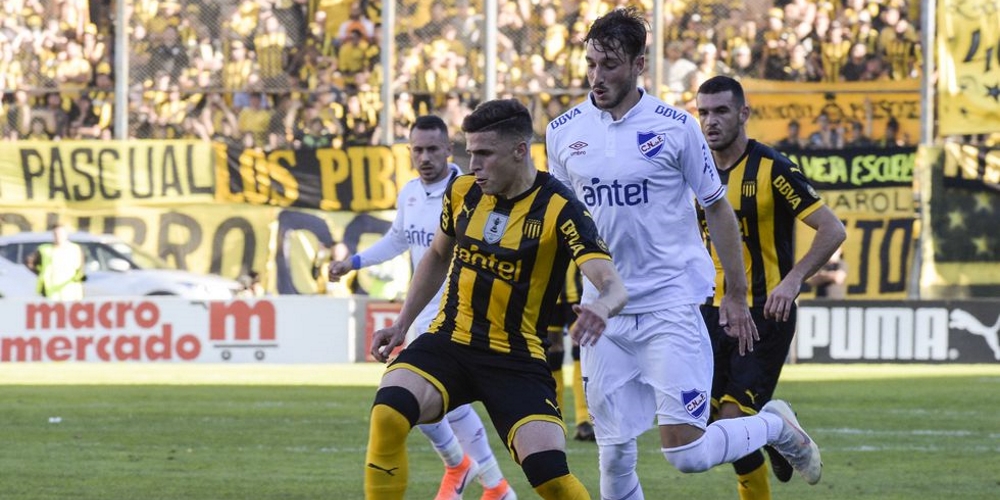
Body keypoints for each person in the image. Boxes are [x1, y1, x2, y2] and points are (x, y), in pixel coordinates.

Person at [545, 8, 822, 499]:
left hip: (669, 305)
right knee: (614, 453)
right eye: (590, 64)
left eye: (610, 65)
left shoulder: (675, 127)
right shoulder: (563, 131)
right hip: (603, 311)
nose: (597, 76)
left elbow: (717, 207)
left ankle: (775, 425)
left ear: (639, 65)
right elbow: (563, 221)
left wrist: (734, 294)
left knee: (686, 454)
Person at [364, 98, 627, 500]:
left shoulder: (560, 208)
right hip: (450, 342)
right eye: (470, 153)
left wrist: (602, 307)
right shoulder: (462, 192)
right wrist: (402, 323)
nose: (473, 165)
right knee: (388, 412)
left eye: (484, 154)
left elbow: (612, 284)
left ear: (520, 150)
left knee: (551, 478)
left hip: (517, 359)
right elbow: (438, 255)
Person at [331, 115, 516, 500]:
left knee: (418, 397)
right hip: (420, 315)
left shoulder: (473, 191)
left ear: (449, 149)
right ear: (409, 152)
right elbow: (397, 239)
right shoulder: (410, 193)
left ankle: (483, 479)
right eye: (418, 150)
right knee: (423, 402)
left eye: (433, 149)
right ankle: (476, 476)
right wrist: (354, 262)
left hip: (459, 315)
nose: (425, 157)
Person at [695, 75, 847, 500]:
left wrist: (793, 281)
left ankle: (770, 427)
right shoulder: (695, 169)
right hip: (708, 312)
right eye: (703, 112)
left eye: (721, 111)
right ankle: (773, 427)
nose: (710, 121)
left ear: (743, 113)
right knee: (704, 429)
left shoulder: (773, 168)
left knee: (730, 422)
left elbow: (832, 229)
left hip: (764, 312)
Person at [544, 262, 595, 442]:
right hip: (548, 292)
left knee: (580, 346)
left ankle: (584, 419)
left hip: (578, 293)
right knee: (551, 349)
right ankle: (556, 418)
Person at [26, 223, 87, 300]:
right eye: (56, 234)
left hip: (71, 293)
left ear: (66, 234)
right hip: (50, 293)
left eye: (61, 233)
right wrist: (40, 273)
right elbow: (29, 262)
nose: (58, 236)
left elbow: (81, 269)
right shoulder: (45, 250)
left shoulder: (75, 249)